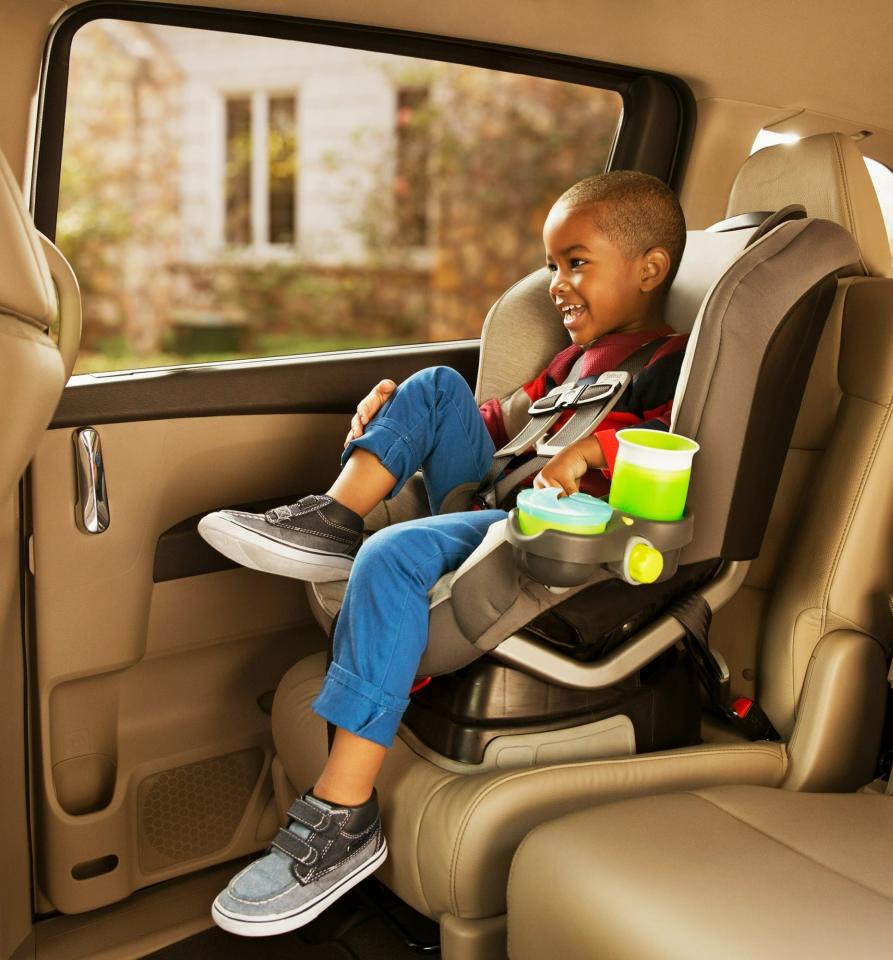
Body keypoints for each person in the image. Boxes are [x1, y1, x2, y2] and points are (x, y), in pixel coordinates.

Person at [203, 171, 687, 937]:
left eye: (576, 263)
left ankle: (343, 817)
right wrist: (392, 413)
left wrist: (594, 450)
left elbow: (674, 444)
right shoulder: (568, 366)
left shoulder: (670, 358)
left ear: (650, 270)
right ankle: (334, 515)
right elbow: (494, 422)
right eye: (553, 264)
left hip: (541, 531)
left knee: (391, 556)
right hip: (493, 493)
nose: (556, 284)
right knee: (430, 385)